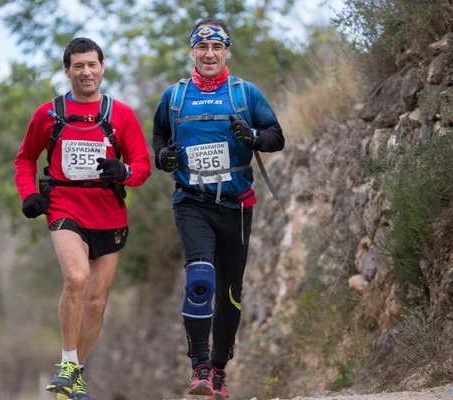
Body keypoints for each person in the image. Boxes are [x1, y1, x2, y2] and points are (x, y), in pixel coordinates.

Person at [151, 19, 284, 400]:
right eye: (202, 46)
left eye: (216, 47)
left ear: (227, 51)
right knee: (200, 280)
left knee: (229, 293)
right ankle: (200, 367)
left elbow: (277, 137)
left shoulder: (245, 93)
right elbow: (159, 136)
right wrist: (163, 156)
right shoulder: (174, 97)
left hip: (237, 207)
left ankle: (220, 368)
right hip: (192, 202)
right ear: (192, 51)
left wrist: (254, 136)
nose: (209, 54)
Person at [14, 37, 151, 400]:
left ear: (102, 67)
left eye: (92, 64)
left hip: (108, 212)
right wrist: (28, 195)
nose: (86, 72)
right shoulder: (48, 114)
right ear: (67, 71)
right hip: (64, 207)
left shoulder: (121, 114)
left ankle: (73, 377)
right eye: (79, 66)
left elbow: (142, 167)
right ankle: (66, 363)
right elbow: (25, 158)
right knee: (77, 277)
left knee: (97, 301)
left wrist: (123, 171)